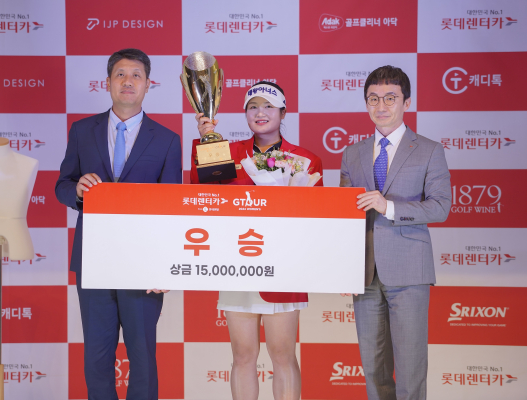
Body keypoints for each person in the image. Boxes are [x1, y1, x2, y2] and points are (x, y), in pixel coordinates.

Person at [55, 48, 181, 400]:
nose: (128, 81)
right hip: (93, 259)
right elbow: (62, 185)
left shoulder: (167, 139)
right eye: (121, 74)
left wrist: (165, 265)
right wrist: (76, 190)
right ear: (108, 82)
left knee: (142, 355)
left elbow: (172, 209)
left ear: (148, 84)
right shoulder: (82, 131)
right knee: (97, 355)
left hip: (144, 263)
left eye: (136, 75)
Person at [191, 81, 323, 400]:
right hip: (238, 263)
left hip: (285, 268)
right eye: (252, 107)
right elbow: (201, 194)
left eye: (268, 106)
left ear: (283, 112)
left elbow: (317, 219)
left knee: (282, 354)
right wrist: (206, 143)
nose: (260, 113)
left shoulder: (305, 159)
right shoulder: (227, 152)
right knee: (243, 355)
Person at [340, 66, 451, 400]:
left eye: (390, 98)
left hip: (409, 272)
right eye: (373, 99)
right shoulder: (352, 153)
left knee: (410, 370)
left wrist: (387, 206)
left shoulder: (429, 150)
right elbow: (345, 217)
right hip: (364, 274)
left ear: (407, 102)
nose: (381, 106)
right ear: (366, 104)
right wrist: (343, 267)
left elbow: (440, 207)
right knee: (374, 371)